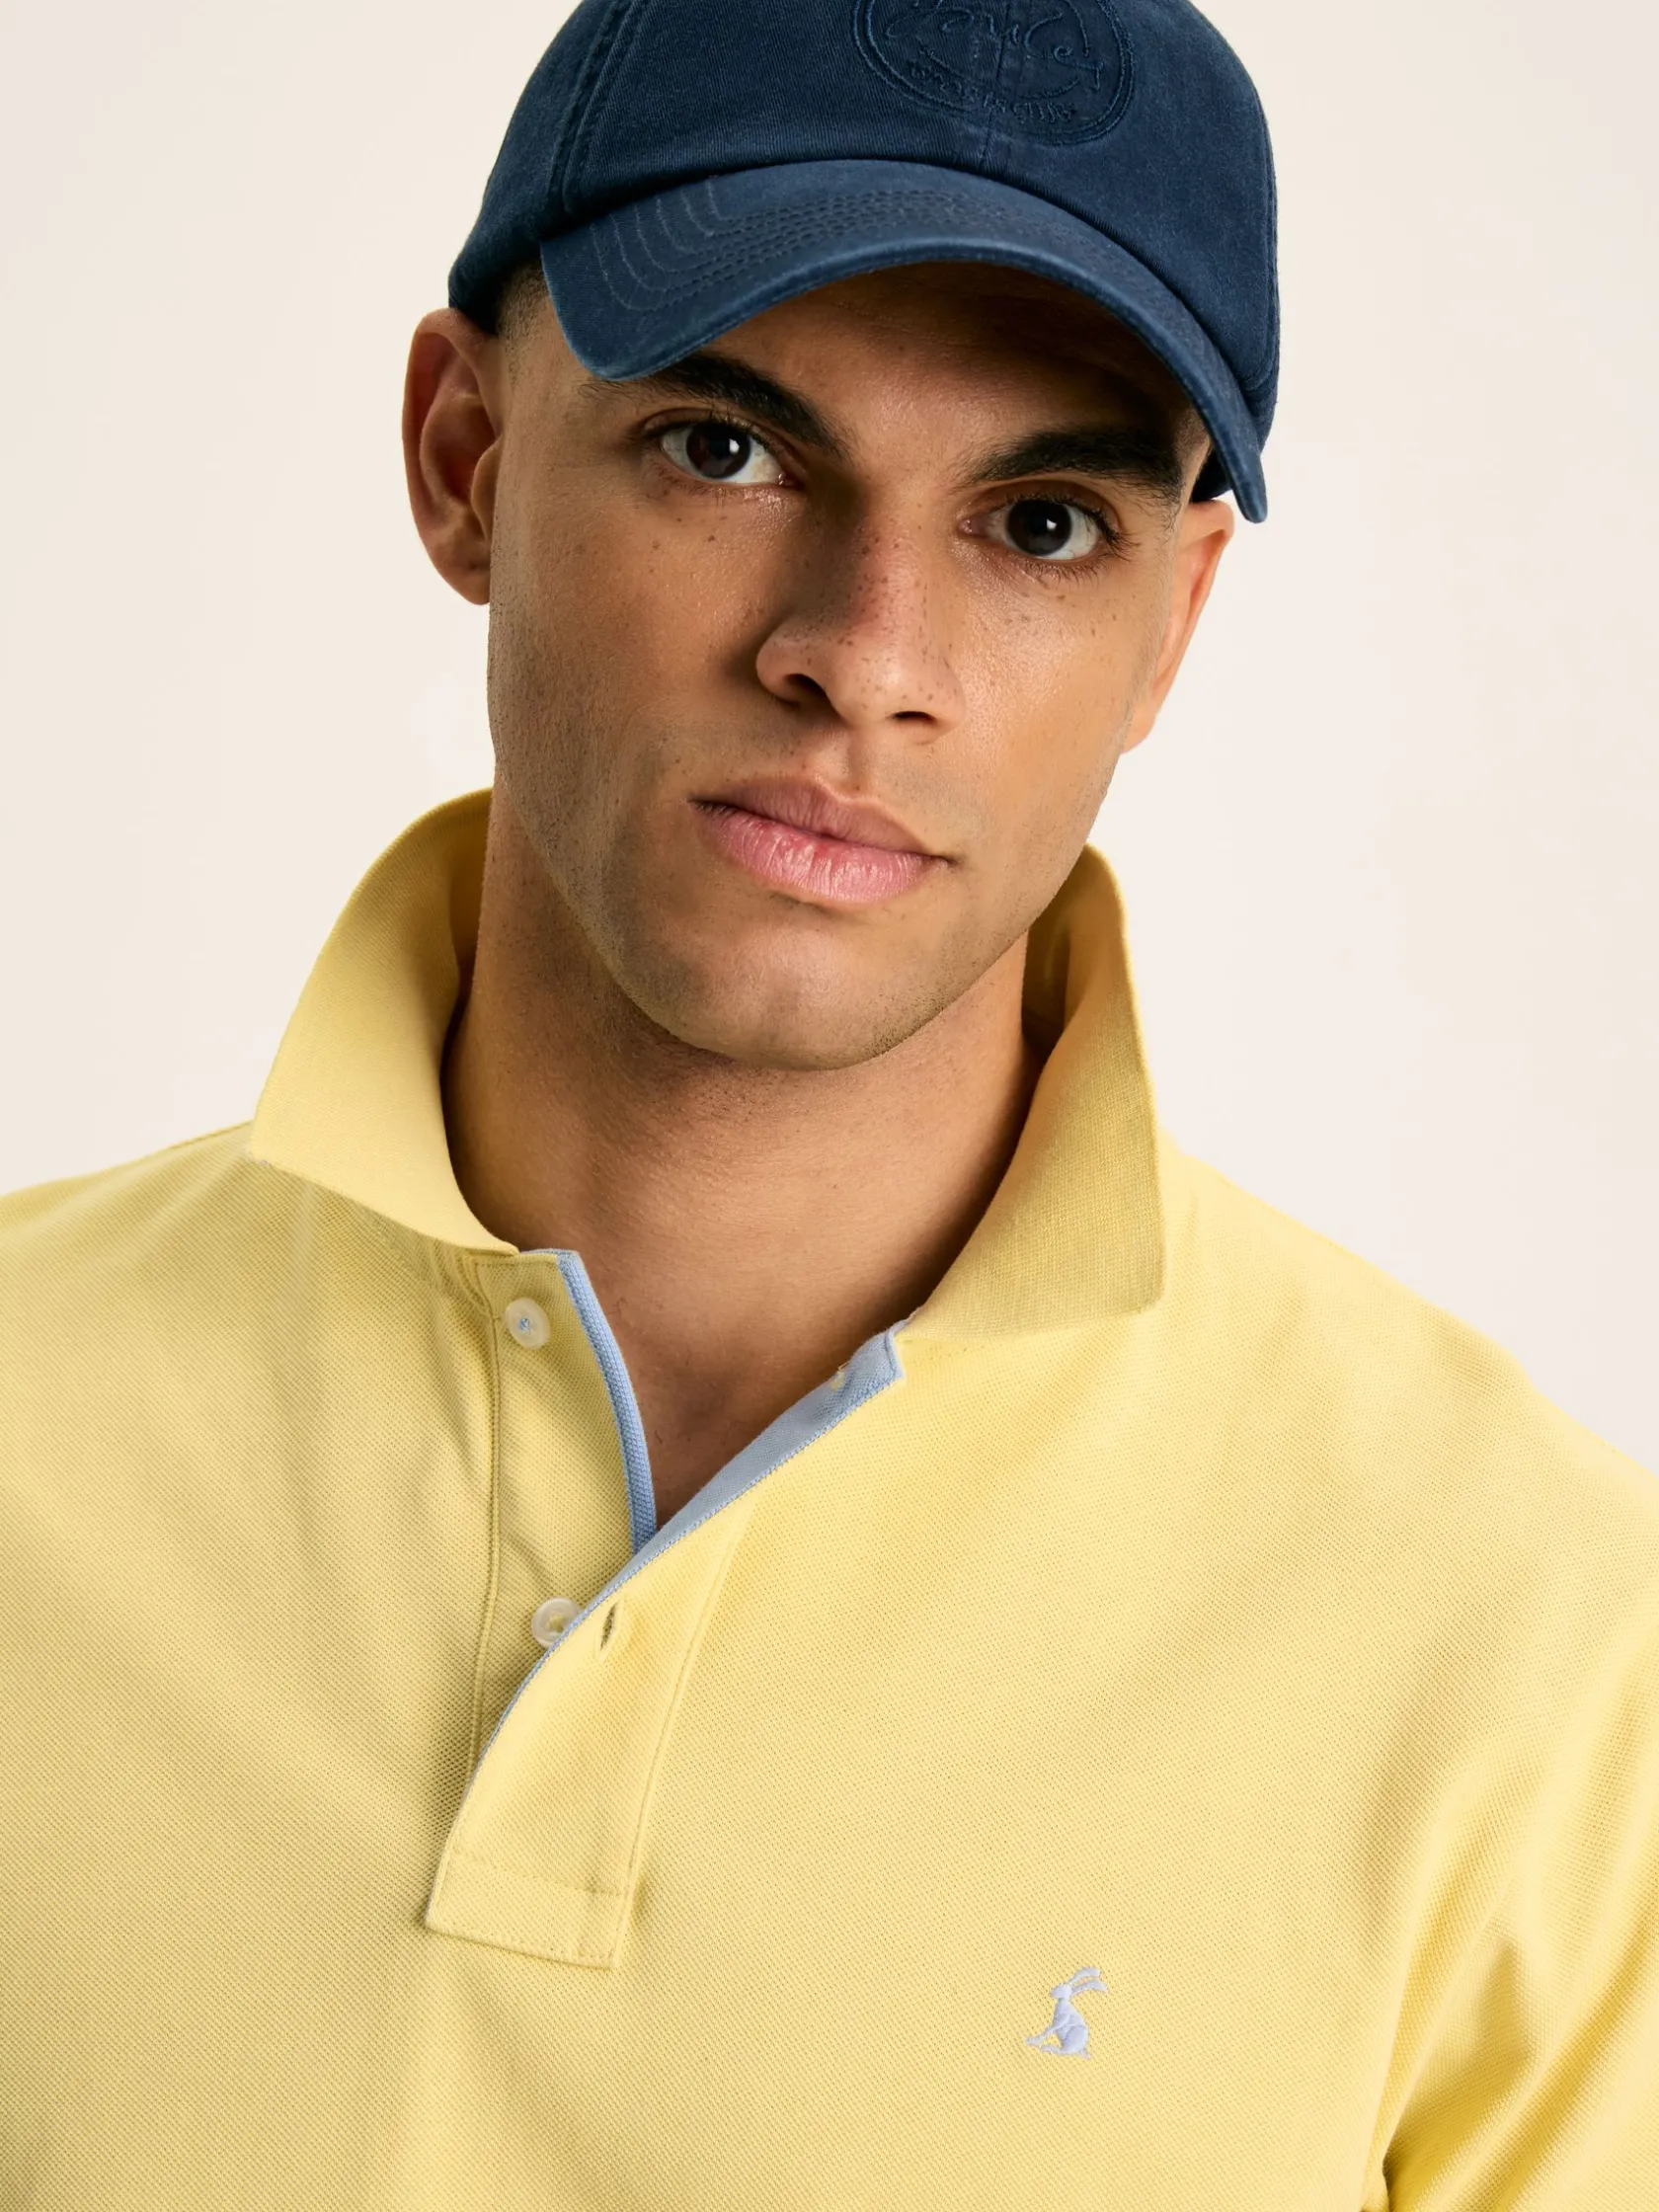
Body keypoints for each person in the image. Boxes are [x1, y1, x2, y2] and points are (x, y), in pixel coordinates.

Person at [3, 0, 1655, 2203]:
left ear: (1174, 625)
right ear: (465, 458)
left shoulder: (1546, 1663)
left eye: (1041, 522)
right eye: (725, 451)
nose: (863, 653)